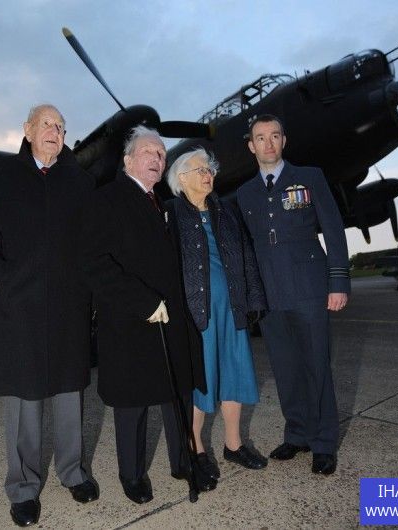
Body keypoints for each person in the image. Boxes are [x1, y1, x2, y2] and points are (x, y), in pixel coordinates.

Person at [0, 104, 97, 527]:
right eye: (46, 123)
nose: (54, 130)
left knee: (69, 393)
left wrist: (88, 292)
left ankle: (73, 472)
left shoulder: (79, 181)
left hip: (68, 305)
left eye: (61, 126)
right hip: (19, 304)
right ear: (27, 130)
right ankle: (23, 488)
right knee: (24, 399)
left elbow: (91, 243)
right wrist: (0, 283)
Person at [81, 126, 214, 505]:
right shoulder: (105, 200)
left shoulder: (164, 204)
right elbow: (93, 263)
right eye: (148, 152)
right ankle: (132, 474)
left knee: (177, 396)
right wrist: (143, 302)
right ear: (127, 160)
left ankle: (183, 462)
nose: (157, 158)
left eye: (161, 153)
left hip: (171, 321)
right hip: (131, 321)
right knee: (133, 406)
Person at [236, 114, 350, 476]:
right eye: (260, 137)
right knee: (285, 369)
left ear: (284, 141)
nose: (268, 143)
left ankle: (324, 442)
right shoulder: (245, 193)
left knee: (317, 365)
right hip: (270, 295)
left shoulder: (310, 177)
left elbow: (333, 230)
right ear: (251, 146)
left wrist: (338, 282)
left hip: (309, 289)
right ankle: (297, 434)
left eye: (275, 136)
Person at [165, 148, 269, 481]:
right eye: (200, 170)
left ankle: (234, 445)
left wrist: (254, 298)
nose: (208, 174)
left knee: (235, 374)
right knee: (202, 380)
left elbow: (247, 255)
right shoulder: (170, 214)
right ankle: (195, 448)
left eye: (209, 169)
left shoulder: (226, 211)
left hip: (233, 308)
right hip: (197, 312)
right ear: (182, 179)